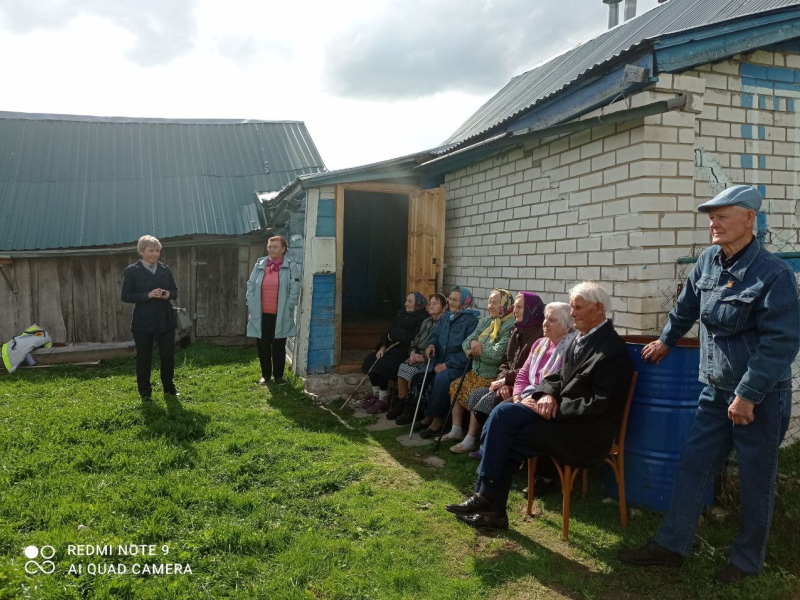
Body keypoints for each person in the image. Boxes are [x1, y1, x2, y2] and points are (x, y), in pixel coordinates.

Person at [619, 185, 800, 585]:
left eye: (722, 215)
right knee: (694, 465)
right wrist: (666, 340)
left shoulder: (774, 274)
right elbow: (686, 306)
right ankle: (672, 546)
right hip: (715, 389)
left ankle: (747, 561)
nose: (713, 223)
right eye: (711, 216)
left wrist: (748, 394)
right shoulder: (707, 261)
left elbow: (780, 344)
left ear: (749, 219)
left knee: (756, 478)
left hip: (760, 396)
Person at [445, 281, 634, 530]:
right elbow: (557, 378)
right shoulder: (582, 340)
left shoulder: (612, 351)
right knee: (504, 418)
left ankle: (488, 501)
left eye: (577, 307)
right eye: (572, 307)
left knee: (506, 425)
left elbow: (601, 406)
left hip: (584, 433)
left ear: (598, 309)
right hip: (560, 420)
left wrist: (554, 405)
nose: (573, 312)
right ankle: (490, 506)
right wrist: (546, 394)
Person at [457, 292, 547, 456]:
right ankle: (488, 444)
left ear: (531, 310)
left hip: (525, 387)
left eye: (519, 307)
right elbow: (505, 361)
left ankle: (493, 448)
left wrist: (508, 382)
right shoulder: (517, 330)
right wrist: (503, 380)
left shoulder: (538, 336)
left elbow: (531, 368)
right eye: (515, 307)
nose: (515, 311)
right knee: (477, 396)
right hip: (507, 382)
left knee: (489, 402)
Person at [442, 289, 517, 453]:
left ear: (505, 304)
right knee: (456, 386)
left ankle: (470, 439)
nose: (490, 305)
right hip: (475, 372)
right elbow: (466, 342)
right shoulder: (485, 322)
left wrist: (476, 348)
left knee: (476, 395)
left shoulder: (509, 326)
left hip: (491, 376)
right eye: (489, 301)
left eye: (495, 302)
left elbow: (497, 354)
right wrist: (473, 345)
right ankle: (456, 429)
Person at [416, 286, 480, 439]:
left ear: (464, 302)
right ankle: (425, 415)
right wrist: (431, 345)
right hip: (439, 359)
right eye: (450, 298)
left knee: (442, 379)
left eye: (455, 300)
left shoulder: (471, 322)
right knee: (420, 374)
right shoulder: (446, 317)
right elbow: (436, 336)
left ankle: (437, 420)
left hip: (457, 365)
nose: (450, 302)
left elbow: (465, 352)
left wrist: (447, 365)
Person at [121, 235, 179, 401]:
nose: (155, 254)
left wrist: (168, 294)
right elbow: (125, 296)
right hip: (143, 321)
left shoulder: (165, 269)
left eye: (158, 251)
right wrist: (147, 295)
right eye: (151, 250)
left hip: (165, 320)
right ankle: (145, 393)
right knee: (144, 358)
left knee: (168, 356)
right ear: (141, 251)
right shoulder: (132, 271)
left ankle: (169, 390)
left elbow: (174, 290)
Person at [360, 292, 429, 415]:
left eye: (409, 301)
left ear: (418, 304)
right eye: (406, 300)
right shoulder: (403, 316)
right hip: (392, 348)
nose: (405, 303)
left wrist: (394, 334)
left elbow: (411, 337)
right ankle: (376, 395)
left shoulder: (423, 319)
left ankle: (383, 399)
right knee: (371, 359)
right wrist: (382, 346)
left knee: (383, 365)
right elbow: (389, 332)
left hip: (406, 351)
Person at [246, 235, 301, 385]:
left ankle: (278, 376)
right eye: (269, 246)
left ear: (283, 249)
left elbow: (295, 288)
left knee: (278, 344)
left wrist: (289, 305)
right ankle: (265, 375)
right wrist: (251, 303)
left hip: (280, 313)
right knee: (263, 344)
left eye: (275, 247)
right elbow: (251, 284)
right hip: (261, 313)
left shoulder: (291, 266)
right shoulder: (260, 264)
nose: (271, 249)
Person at [393, 293, 448, 423]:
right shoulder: (426, 321)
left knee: (413, 373)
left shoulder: (444, 323)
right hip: (416, 355)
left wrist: (422, 357)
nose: (431, 306)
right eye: (430, 303)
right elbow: (416, 339)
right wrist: (412, 352)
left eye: (435, 303)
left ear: (444, 307)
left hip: (428, 358)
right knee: (402, 367)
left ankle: (412, 409)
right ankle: (402, 402)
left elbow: (439, 347)